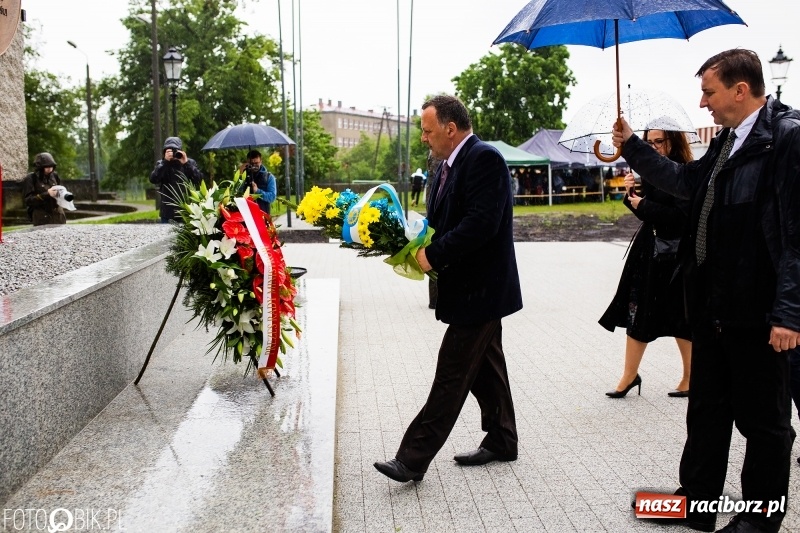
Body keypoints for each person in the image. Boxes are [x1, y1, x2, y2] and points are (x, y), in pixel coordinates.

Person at [612, 49, 800, 533]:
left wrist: (789, 313)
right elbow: (683, 181)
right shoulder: (727, 142)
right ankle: (697, 504)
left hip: (759, 313)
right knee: (707, 413)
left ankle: (758, 522)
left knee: (765, 425)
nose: (702, 103)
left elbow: (797, 234)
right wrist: (632, 145)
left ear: (741, 90)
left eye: (709, 92)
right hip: (712, 306)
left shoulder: (786, 139)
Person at [373, 94, 523, 483]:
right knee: (486, 369)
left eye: (427, 130)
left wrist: (433, 255)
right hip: (468, 290)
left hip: (482, 291)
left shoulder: (484, 159)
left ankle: (412, 459)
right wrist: (405, 239)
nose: (424, 138)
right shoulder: (444, 166)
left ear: (449, 129)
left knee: (452, 373)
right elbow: (444, 220)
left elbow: (480, 224)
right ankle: (503, 439)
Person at [599, 127, 693, 398]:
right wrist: (631, 196)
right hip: (648, 251)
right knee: (637, 311)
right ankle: (629, 375)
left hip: (675, 255)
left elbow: (680, 217)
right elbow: (647, 214)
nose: (652, 147)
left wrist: (644, 205)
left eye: (658, 141)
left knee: (680, 317)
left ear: (673, 141)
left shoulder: (682, 172)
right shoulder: (652, 173)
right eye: (648, 142)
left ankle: (690, 376)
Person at [149, 137, 203, 223]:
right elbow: (153, 179)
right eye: (170, 151)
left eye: (175, 151)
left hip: (186, 210)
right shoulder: (161, 164)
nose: (173, 154)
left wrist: (186, 163)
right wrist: (165, 162)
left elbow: (199, 180)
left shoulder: (189, 163)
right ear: (165, 152)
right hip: (167, 212)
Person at [22, 152, 66, 226]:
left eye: (51, 166)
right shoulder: (31, 178)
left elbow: (61, 189)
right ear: (40, 167)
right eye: (47, 167)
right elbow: (28, 200)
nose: (50, 169)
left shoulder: (54, 176)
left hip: (58, 214)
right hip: (42, 216)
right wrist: (47, 194)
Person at [235, 150, 277, 215]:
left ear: (261, 161)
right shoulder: (243, 176)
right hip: (245, 214)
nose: (254, 166)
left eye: (256, 163)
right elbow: (235, 193)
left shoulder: (269, 177)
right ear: (247, 162)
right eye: (252, 164)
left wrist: (258, 191)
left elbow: (272, 197)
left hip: (262, 215)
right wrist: (240, 175)